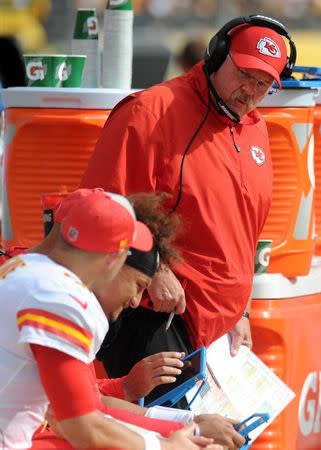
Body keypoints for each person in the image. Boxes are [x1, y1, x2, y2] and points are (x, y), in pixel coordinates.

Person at [80, 16, 297, 369]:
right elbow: (103, 207)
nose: (251, 91)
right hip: (157, 316)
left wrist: (240, 309)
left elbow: (244, 227)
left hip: (221, 334)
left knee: (215, 427)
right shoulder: (150, 112)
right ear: (217, 55)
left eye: (263, 83)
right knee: (162, 424)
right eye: (244, 74)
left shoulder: (254, 128)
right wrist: (155, 270)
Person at [0, 189, 243, 449]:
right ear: (113, 259)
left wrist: (180, 429)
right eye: (139, 284)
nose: (136, 301)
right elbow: (81, 425)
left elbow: (75, 412)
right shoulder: (60, 297)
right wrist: (168, 445)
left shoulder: (23, 271)